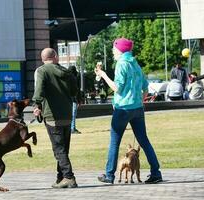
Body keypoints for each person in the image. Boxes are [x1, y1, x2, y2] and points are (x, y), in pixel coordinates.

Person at [94, 38, 162, 184]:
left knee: (114, 142)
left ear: (120, 50)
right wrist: (139, 101)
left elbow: (117, 88)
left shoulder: (121, 64)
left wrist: (103, 75)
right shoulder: (135, 63)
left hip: (123, 109)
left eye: (114, 49)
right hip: (137, 108)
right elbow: (145, 88)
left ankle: (109, 175)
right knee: (144, 141)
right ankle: (156, 173)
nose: (113, 51)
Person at [32, 48, 79, 188]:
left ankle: (69, 177)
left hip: (52, 116)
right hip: (67, 114)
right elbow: (74, 91)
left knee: (58, 149)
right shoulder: (67, 72)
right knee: (64, 148)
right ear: (56, 57)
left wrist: (37, 105)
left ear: (42, 59)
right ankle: (61, 177)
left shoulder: (42, 71)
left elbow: (39, 90)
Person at [68, 65, 82, 134]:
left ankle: (71, 128)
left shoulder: (67, 78)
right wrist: (79, 100)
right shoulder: (76, 78)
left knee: (71, 114)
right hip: (74, 99)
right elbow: (77, 90)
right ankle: (72, 128)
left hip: (68, 99)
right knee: (73, 114)